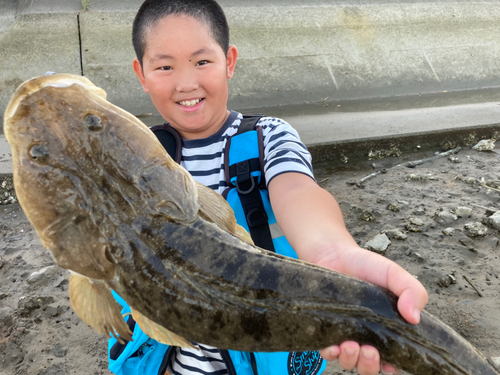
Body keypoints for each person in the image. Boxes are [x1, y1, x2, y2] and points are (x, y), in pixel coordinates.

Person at [110, 0, 429, 374]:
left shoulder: (268, 137)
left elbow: (297, 191)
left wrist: (331, 250)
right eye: (165, 66)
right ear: (141, 73)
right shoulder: (130, 160)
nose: (186, 83)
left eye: (202, 61)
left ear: (229, 61)